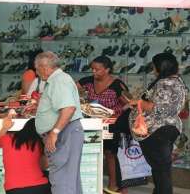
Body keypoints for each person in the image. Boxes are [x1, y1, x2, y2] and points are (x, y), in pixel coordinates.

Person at [129, 53, 187, 194]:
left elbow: (160, 108)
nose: (153, 69)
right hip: (167, 128)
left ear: (161, 67)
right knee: (161, 169)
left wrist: (140, 102)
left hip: (157, 130)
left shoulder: (165, 83)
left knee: (161, 170)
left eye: (154, 66)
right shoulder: (176, 80)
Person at [76, 56, 129, 194]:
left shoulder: (117, 85)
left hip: (112, 125)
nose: (94, 72)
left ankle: (114, 185)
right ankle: (90, 185)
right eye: (92, 69)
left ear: (107, 70)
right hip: (90, 123)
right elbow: (71, 90)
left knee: (110, 154)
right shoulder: (86, 81)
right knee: (90, 152)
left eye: (97, 69)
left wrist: (117, 113)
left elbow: (128, 103)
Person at [34, 51, 84, 194]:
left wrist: (54, 133)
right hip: (66, 132)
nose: (37, 73)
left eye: (37, 69)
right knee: (69, 180)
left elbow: (69, 108)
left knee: (62, 179)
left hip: (64, 133)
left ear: (44, 67)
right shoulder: (58, 80)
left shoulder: (59, 80)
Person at [0, 117, 51, 194]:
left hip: (13, 188)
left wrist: (5, 128)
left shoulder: (7, 138)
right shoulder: (38, 143)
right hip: (39, 186)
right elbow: (44, 165)